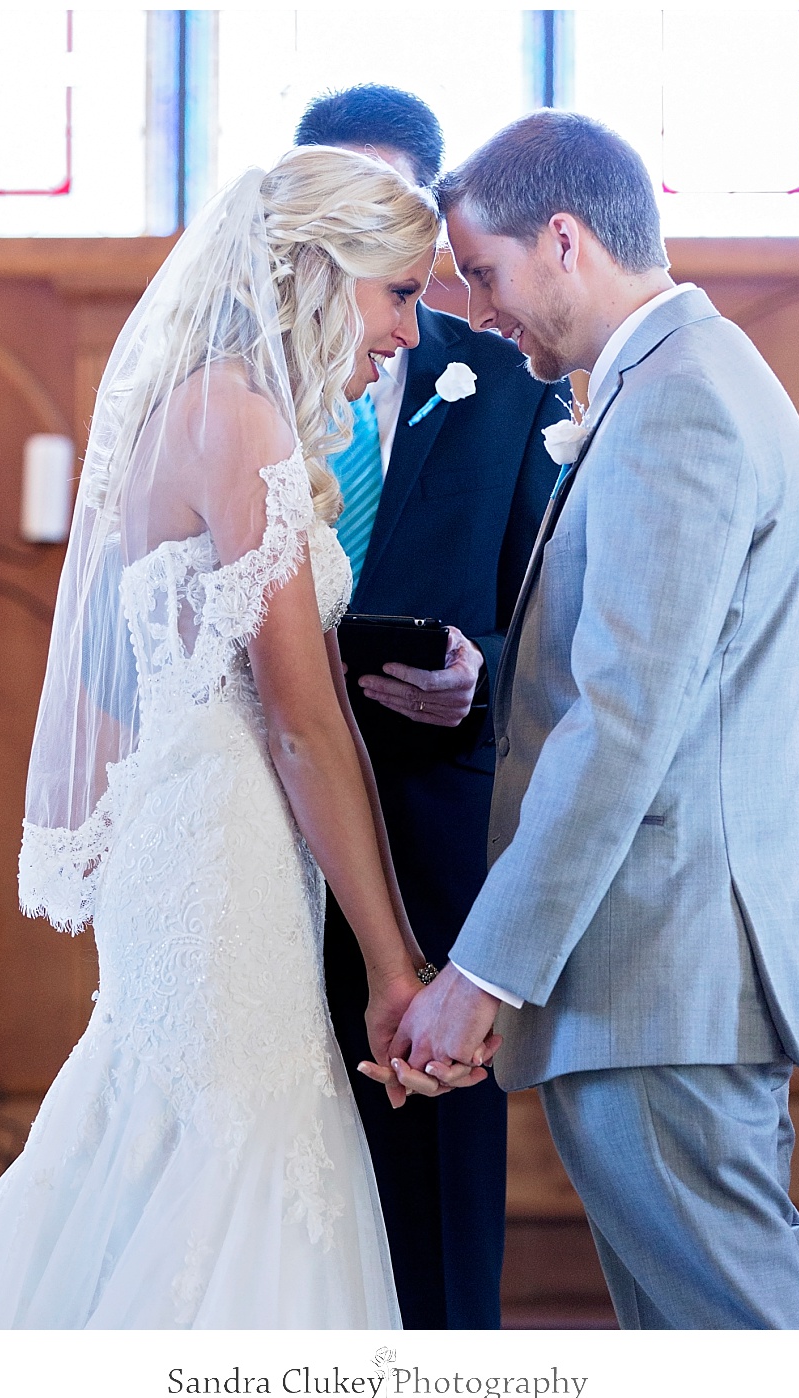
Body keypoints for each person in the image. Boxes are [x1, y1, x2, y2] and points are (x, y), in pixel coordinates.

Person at [0, 147, 491, 1330]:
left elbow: (135, 692)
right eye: (399, 291)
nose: (411, 328)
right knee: (244, 1136)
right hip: (227, 856)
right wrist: (398, 966)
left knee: (164, 1132)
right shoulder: (241, 418)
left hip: (187, 835)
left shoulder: (182, 403)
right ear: (317, 271)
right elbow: (301, 722)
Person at [381, 110, 799, 1330]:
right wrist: (499, 666)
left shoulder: (679, 399)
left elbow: (625, 722)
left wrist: (482, 971)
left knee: (735, 1348)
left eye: (484, 269)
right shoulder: (685, 378)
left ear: (563, 238)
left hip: (658, 966)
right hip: (660, 968)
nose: (475, 307)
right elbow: (655, 664)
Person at [295, 85, 568, 1329]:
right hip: (267, 834)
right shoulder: (229, 383)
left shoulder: (502, 385)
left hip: (439, 828)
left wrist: (480, 670)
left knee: (439, 1190)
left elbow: (546, 621)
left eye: (390, 203)